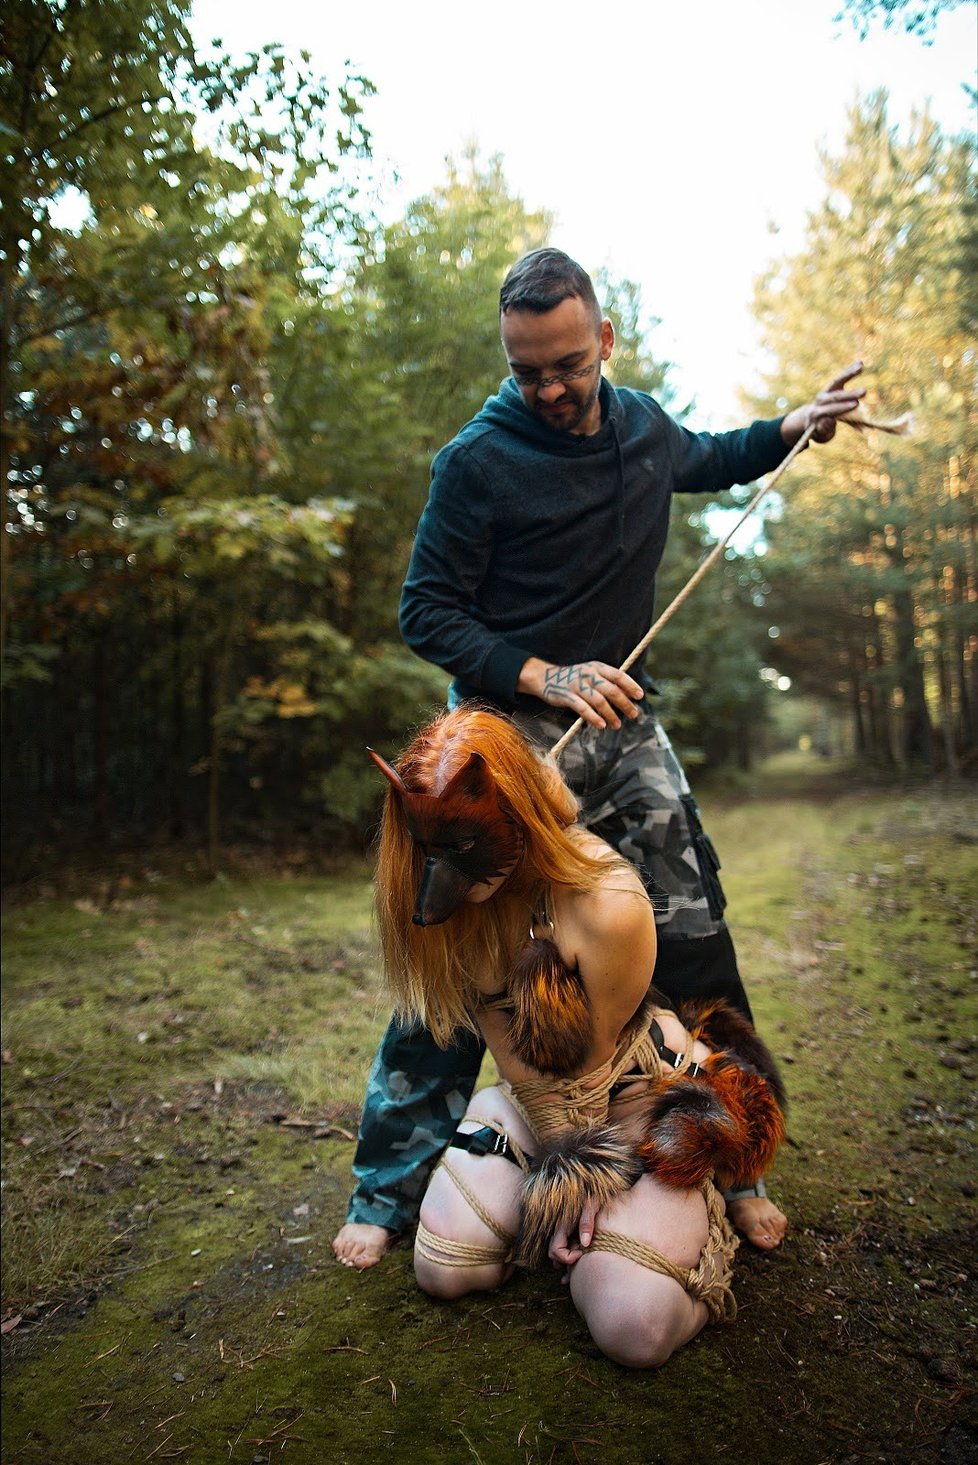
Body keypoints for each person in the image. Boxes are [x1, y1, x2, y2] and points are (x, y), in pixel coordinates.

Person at [332, 248, 863, 1272]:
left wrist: (793, 426)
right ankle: (387, 1188)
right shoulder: (476, 463)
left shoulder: (642, 427)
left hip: (627, 724)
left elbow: (711, 454)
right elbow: (424, 611)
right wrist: (544, 673)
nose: (549, 387)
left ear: (603, 341)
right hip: (504, 750)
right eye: (527, 369)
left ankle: (739, 1159)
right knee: (463, 949)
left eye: (567, 363)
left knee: (695, 928)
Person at [339, 708, 786, 1369]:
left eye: (461, 852)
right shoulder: (450, 894)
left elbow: (591, 1063)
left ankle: (696, 1208)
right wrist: (564, 1167)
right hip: (536, 1097)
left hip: (640, 1094)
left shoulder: (608, 900)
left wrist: (585, 1177)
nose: (444, 882)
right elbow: (527, 1064)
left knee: (633, 1328)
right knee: (444, 1268)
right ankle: (542, 1200)